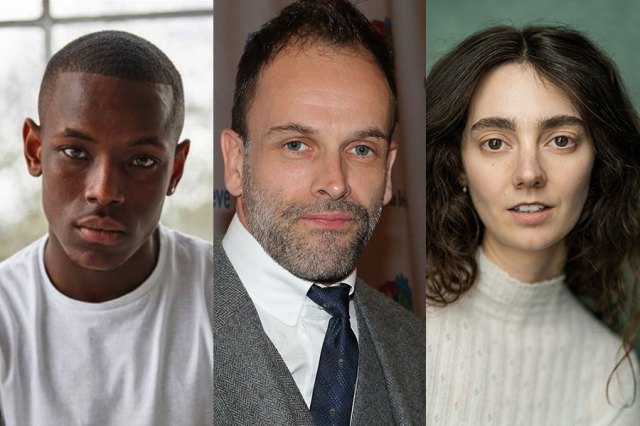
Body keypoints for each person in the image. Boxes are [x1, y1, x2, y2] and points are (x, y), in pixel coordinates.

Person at [214, 0, 425, 424]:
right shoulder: (151, 338)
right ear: (236, 162)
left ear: (388, 172)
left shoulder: (421, 350)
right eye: (296, 145)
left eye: (361, 149)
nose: (335, 181)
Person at [426, 25, 640, 424]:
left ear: (600, 161)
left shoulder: (612, 379)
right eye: (495, 142)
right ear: (459, 166)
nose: (528, 174)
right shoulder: (402, 317)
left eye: (560, 140)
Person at [0, 31, 213, 425]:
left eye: (142, 161)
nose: (104, 191)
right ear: (34, 150)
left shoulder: (233, 298)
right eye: (75, 152)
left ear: (176, 169)